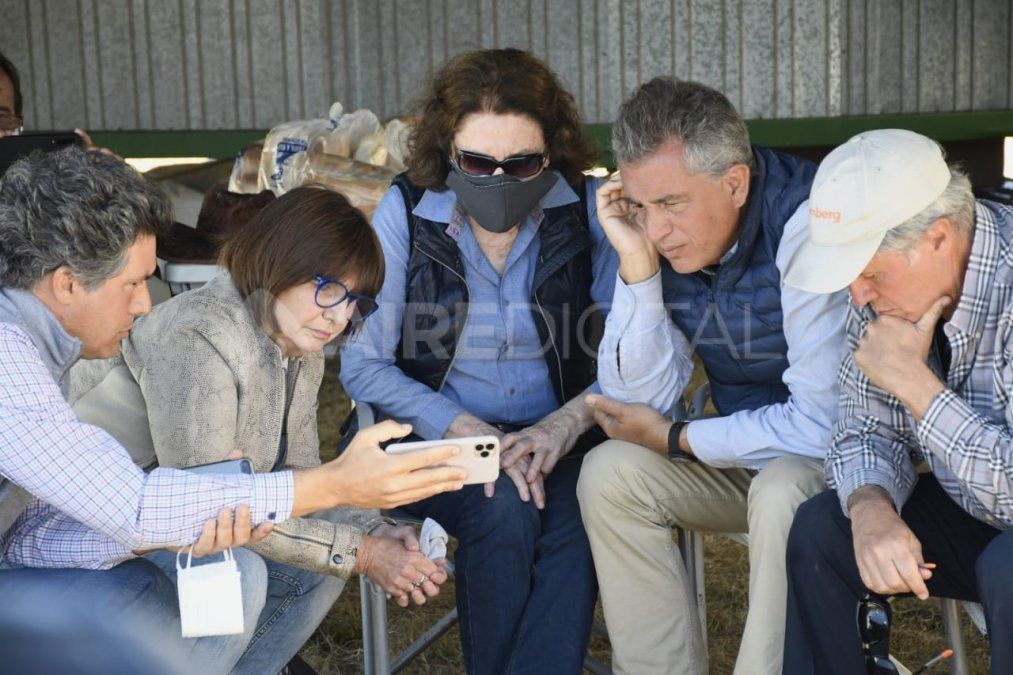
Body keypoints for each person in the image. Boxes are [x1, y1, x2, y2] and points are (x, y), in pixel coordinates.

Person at [0, 146, 466, 671]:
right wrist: (350, 525)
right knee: (233, 572)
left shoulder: (296, 347)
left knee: (297, 565)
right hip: (89, 536)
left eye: (354, 302)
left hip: (67, 534)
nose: (144, 303)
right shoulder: (187, 332)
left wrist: (371, 533)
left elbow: (288, 476)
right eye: (133, 284)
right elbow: (140, 507)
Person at [340, 48, 618, 673]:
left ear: (552, 154)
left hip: (565, 435)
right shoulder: (407, 212)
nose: (498, 179)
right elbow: (363, 365)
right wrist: (461, 428)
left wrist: (562, 426)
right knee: (504, 506)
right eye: (475, 161)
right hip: (436, 439)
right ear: (446, 152)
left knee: (581, 515)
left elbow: (634, 359)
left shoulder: (588, 212)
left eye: (520, 163)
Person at [574, 77, 848, 675]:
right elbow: (632, 402)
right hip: (750, 456)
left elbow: (821, 428)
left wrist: (679, 439)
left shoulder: (807, 223)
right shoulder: (658, 241)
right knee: (609, 472)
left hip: (857, 470)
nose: (657, 228)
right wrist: (639, 268)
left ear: (735, 182)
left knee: (782, 492)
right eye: (640, 207)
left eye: (672, 204)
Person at [781, 129, 1013, 673]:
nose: (858, 294)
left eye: (870, 272)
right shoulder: (884, 293)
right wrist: (869, 507)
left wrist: (916, 385)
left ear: (937, 238)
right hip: (977, 506)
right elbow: (864, 427)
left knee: (1009, 564)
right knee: (823, 530)